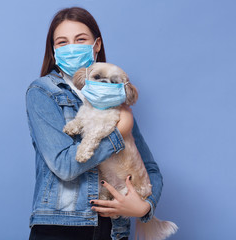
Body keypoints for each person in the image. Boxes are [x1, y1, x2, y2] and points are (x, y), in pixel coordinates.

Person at [26, 7, 163, 240]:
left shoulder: (116, 97)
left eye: (80, 39)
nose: (71, 47)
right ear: (53, 50)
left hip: (113, 230)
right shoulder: (43, 92)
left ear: (96, 44)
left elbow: (150, 169)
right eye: (62, 42)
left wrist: (144, 208)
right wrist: (118, 132)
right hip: (61, 227)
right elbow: (65, 167)